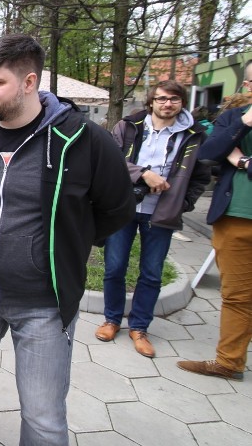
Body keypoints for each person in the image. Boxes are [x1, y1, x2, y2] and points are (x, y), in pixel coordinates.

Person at [0, 34, 134, 446]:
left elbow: (117, 209)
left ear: (29, 82)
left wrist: (67, 244)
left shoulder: (83, 140)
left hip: (46, 304)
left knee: (43, 414)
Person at [95, 80, 210, 357]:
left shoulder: (194, 135)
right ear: (151, 102)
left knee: (151, 273)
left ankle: (139, 327)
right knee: (114, 268)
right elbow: (110, 159)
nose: (167, 104)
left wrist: (183, 203)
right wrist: (143, 173)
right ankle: (112, 319)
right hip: (125, 207)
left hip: (162, 212)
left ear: (182, 102)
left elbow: (201, 176)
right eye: (161, 99)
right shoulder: (130, 126)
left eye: (173, 99)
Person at [177, 61, 252, 381]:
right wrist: (245, 122)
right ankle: (230, 361)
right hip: (236, 217)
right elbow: (209, 153)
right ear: (247, 85)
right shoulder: (235, 117)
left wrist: (244, 160)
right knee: (236, 295)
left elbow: (229, 157)